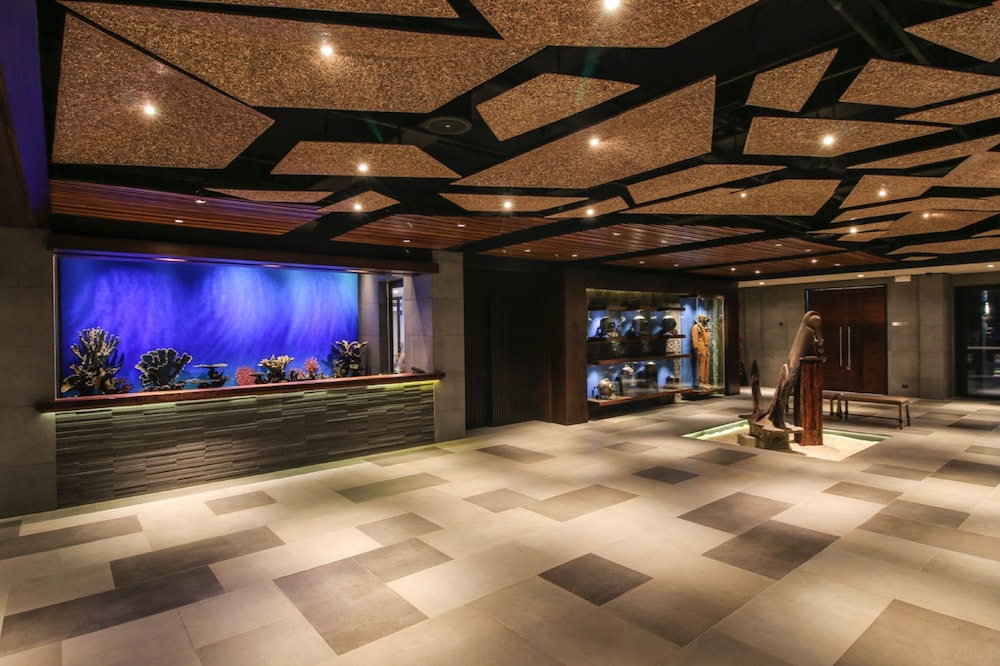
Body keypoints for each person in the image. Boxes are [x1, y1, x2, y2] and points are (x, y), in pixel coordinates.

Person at [692, 314, 712, 388]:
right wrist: (696, 348)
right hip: (701, 346)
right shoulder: (696, 327)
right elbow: (695, 338)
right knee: (702, 364)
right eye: (703, 318)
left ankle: (706, 381)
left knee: (707, 363)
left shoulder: (705, 328)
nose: (705, 320)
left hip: (706, 347)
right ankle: (701, 381)